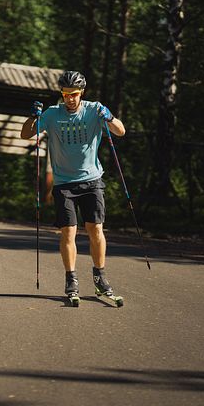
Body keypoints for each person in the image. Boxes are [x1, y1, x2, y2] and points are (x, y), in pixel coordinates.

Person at [20, 70, 126, 300]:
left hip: (92, 180)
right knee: (68, 232)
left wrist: (110, 117)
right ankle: (71, 279)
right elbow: (25, 135)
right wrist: (33, 118)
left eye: (74, 94)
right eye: (66, 94)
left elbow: (120, 131)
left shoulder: (94, 110)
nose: (70, 98)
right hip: (64, 183)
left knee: (95, 229)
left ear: (82, 93)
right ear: (62, 94)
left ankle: (99, 277)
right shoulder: (52, 114)